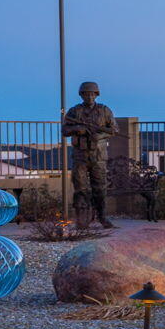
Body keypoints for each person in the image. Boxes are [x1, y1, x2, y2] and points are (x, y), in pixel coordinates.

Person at [62, 81, 117, 229]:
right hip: (80, 155)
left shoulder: (104, 111)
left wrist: (98, 136)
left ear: (96, 95)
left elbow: (114, 130)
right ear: (81, 95)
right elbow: (64, 130)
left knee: (100, 188)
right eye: (86, 94)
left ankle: (102, 217)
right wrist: (77, 129)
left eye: (92, 94)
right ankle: (82, 220)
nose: (89, 96)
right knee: (80, 188)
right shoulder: (75, 111)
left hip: (98, 156)